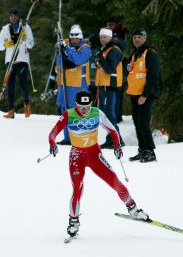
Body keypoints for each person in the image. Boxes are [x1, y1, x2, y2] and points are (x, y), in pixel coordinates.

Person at [48, 90, 149, 237]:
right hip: (76, 156)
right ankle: (73, 221)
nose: (84, 110)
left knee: (114, 181)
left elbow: (113, 131)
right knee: (77, 188)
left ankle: (133, 209)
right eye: (81, 107)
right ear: (76, 104)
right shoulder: (69, 114)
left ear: (91, 104)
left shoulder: (97, 113)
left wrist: (117, 146)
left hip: (94, 154)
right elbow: (53, 133)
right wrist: (52, 143)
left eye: (87, 107)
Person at [126, 28, 161, 163]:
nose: (136, 39)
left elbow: (153, 76)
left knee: (143, 123)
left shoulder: (150, 54)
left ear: (145, 38)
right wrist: (128, 68)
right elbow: (132, 73)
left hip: (145, 94)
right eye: (134, 37)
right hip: (135, 93)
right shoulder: (135, 54)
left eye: (139, 37)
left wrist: (145, 95)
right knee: (137, 123)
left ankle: (150, 151)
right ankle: (142, 149)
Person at [56, 24, 91, 145]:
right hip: (65, 84)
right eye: (72, 38)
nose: (74, 40)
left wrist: (67, 50)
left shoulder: (85, 48)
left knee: (76, 110)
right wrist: (61, 50)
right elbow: (59, 63)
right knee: (64, 109)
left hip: (78, 85)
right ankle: (67, 137)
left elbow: (78, 60)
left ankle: (78, 136)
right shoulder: (67, 46)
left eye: (76, 38)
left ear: (80, 38)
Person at [0, 8, 34, 119]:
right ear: (10, 17)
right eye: (11, 16)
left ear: (18, 17)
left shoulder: (25, 27)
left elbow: (31, 44)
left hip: (22, 59)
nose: (13, 18)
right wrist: (5, 44)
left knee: (22, 83)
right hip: (10, 60)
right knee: (10, 86)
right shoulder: (5, 29)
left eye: (15, 16)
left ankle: (26, 104)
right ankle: (11, 110)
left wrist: (25, 39)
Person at [94, 27, 125, 148]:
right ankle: (112, 138)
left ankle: (116, 139)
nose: (102, 39)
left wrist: (100, 58)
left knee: (109, 113)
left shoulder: (114, 51)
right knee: (104, 113)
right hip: (103, 85)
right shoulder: (105, 49)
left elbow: (110, 69)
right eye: (101, 37)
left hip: (110, 86)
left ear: (110, 37)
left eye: (104, 37)